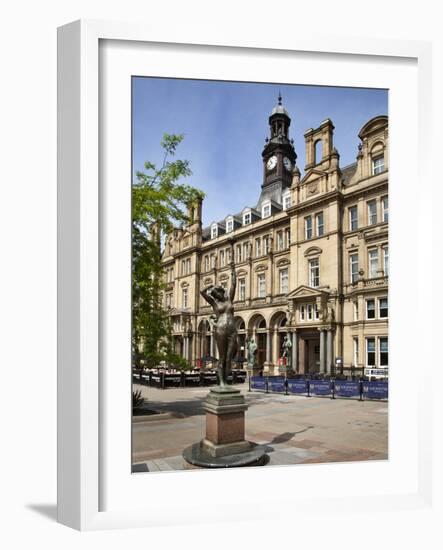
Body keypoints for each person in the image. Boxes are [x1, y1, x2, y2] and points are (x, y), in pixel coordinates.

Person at [200, 257, 237, 388]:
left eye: (220, 293)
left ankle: (225, 380)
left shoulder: (229, 300)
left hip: (232, 330)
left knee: (229, 357)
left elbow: (233, 284)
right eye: (217, 294)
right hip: (220, 329)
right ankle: (222, 382)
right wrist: (211, 286)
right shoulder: (214, 303)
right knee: (222, 358)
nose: (219, 295)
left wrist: (233, 269)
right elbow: (202, 292)